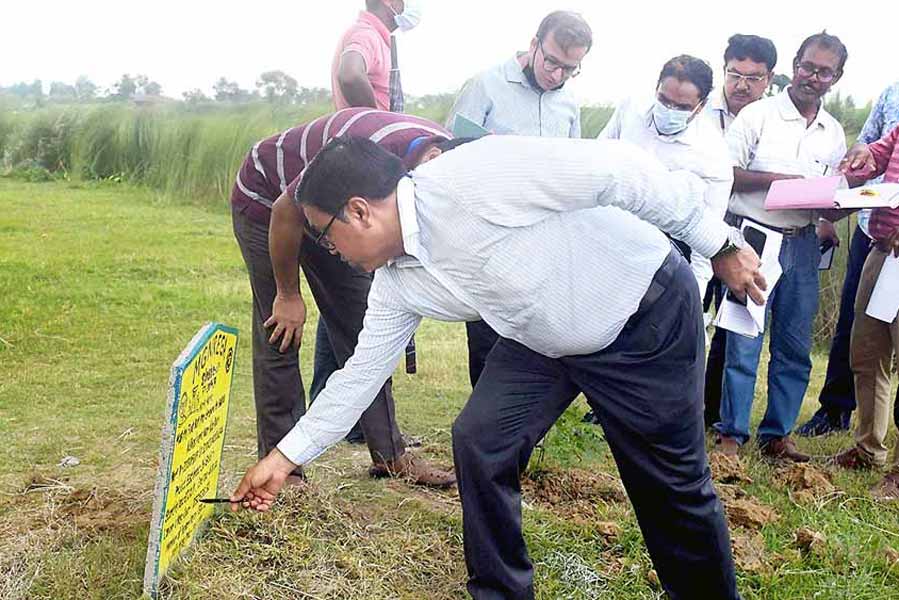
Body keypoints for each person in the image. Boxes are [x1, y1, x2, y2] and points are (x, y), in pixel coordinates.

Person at [230, 134, 768, 599]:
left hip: (638, 315)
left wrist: (719, 243)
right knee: (480, 439)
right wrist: (283, 458)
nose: (327, 251)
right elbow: (360, 373)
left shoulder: (475, 176)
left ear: (358, 211)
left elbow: (618, 172)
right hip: (540, 336)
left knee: (669, 487)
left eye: (323, 237)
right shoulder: (396, 283)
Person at [231, 107, 455, 488]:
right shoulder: (368, 152)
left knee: (362, 326)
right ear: (425, 163)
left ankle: (389, 456)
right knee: (281, 330)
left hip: (331, 214)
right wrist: (288, 295)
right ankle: (284, 471)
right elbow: (288, 211)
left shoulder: (444, 160)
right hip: (268, 202)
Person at [713, 32, 849, 461]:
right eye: (808, 66)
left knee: (794, 344)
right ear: (795, 63)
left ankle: (778, 434)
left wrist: (845, 203)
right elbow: (725, 173)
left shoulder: (833, 132)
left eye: (824, 71)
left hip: (804, 243)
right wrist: (776, 181)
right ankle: (731, 433)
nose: (813, 76)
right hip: (755, 236)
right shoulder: (758, 115)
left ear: (836, 77)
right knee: (744, 338)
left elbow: (832, 198)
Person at [445, 10, 592, 386]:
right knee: (487, 334)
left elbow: (570, 167)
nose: (557, 75)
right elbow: (449, 153)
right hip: (488, 233)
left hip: (542, 237)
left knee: (532, 338)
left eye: (570, 69)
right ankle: (483, 424)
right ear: (534, 45)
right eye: (553, 62)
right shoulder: (486, 86)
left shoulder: (569, 103)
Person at [317, 0, 422, 441]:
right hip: (365, 178)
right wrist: (379, 131)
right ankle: (362, 425)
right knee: (363, 302)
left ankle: (344, 413)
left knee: (344, 303)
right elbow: (350, 74)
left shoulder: (382, 38)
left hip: (363, 176)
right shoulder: (366, 35)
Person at [797, 79, 899, 436]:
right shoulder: (893, 98)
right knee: (864, 346)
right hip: (878, 241)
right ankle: (864, 443)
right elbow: (874, 153)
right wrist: (859, 160)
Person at [600, 54, 732, 295]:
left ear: (701, 106)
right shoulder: (631, 109)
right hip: (609, 236)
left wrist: (693, 295)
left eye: (682, 107)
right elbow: (599, 163)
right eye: (664, 100)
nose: (669, 110)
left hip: (664, 253)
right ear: (656, 89)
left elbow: (708, 236)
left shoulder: (713, 155)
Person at [702, 34, 778, 427]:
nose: (742, 84)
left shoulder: (772, 118)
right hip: (697, 223)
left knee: (731, 323)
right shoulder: (700, 107)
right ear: (724, 69)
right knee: (685, 314)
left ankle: (710, 408)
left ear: (769, 79)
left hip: (746, 230)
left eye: (754, 77)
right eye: (735, 74)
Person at [830, 124, 899, 500]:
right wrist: (863, 154)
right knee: (867, 356)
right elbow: (875, 153)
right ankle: (868, 449)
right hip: (882, 250)